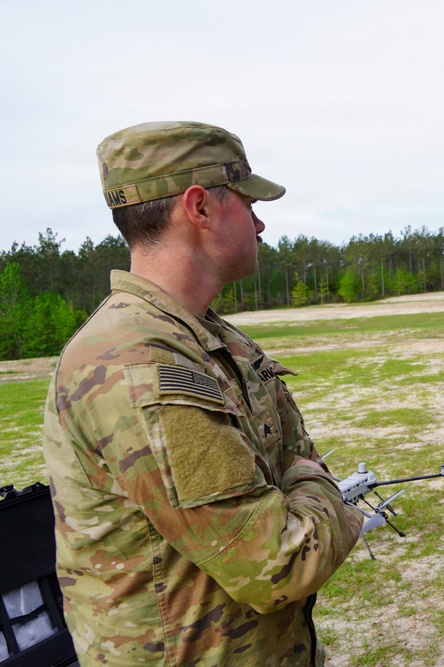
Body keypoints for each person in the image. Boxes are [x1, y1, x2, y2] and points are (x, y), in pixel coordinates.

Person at [41, 121, 364, 666]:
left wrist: (295, 482)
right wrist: (315, 479)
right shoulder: (139, 362)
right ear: (200, 208)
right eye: (248, 202)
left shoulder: (207, 337)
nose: (260, 223)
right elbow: (279, 565)